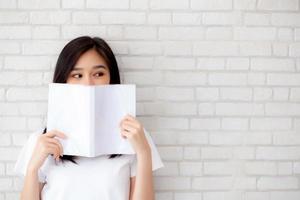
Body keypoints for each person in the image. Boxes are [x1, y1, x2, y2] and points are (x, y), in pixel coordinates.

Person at [13, 36, 164, 200]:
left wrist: (143, 152)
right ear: (63, 80)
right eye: (77, 75)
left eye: (98, 74)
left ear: (111, 79)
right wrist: (32, 169)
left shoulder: (134, 137)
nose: (88, 84)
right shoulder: (42, 141)